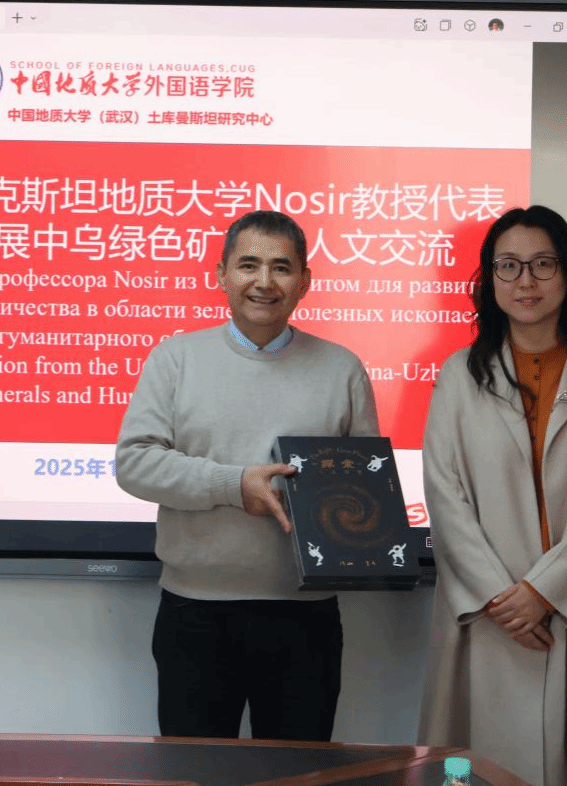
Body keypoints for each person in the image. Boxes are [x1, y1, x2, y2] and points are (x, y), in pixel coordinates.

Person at [116, 209, 379, 741]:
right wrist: (235, 486)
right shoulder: (175, 359)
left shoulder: (342, 369)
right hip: (195, 614)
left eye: (282, 267)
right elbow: (135, 463)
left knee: (298, 774)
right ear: (221, 275)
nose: (264, 281)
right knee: (195, 773)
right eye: (248, 265)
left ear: (305, 281)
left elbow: (367, 486)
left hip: (306, 619)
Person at [417, 205, 567, 786]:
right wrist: (503, 598)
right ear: (489, 279)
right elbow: (444, 497)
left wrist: (543, 592)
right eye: (508, 265)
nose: (525, 281)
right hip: (488, 615)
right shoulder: (459, 376)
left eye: (542, 264)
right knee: (475, 768)